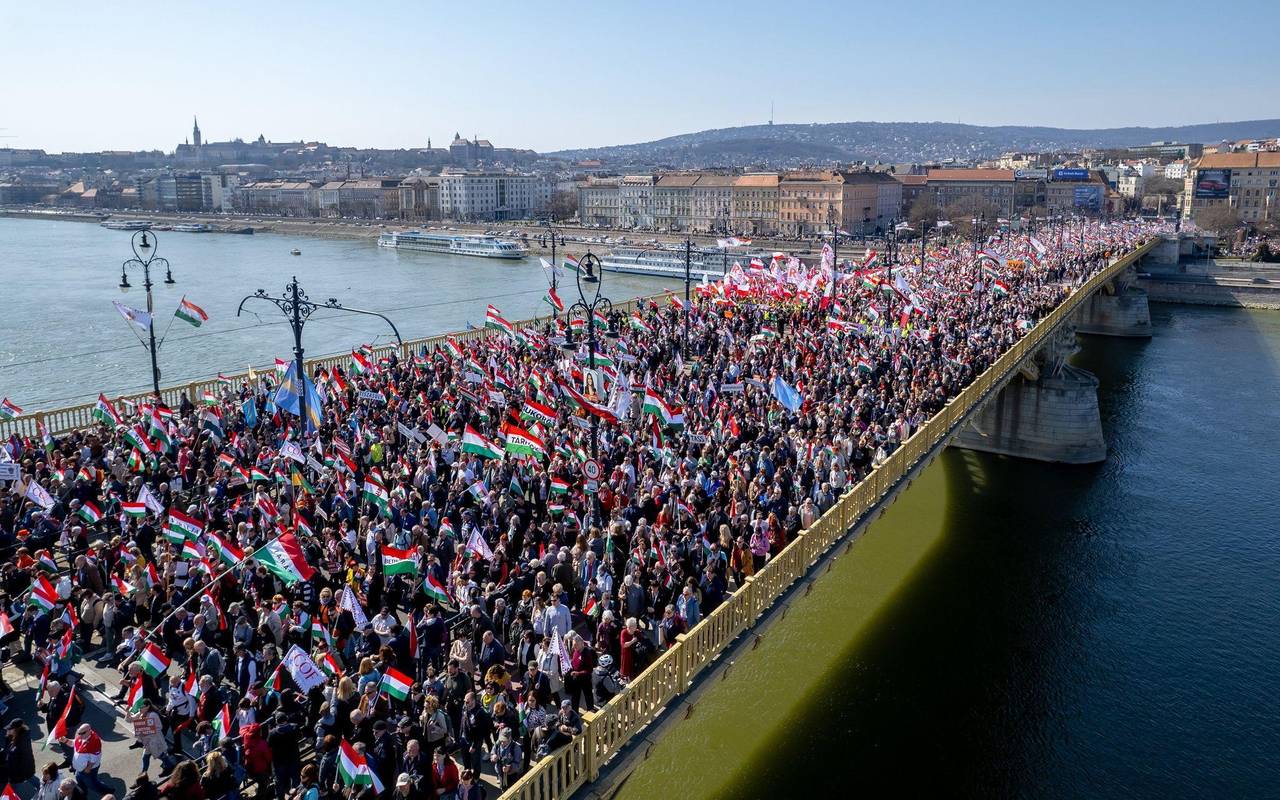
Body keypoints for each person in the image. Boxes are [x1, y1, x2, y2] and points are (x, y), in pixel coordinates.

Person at [127, 700, 173, 776]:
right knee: (146, 758)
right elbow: (129, 720)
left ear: (148, 707)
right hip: (148, 742)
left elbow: (159, 727)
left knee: (159, 755)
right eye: (140, 707)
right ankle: (144, 774)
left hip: (155, 741)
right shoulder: (141, 713)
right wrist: (128, 712)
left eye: (142, 707)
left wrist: (147, 730)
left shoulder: (153, 715)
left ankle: (169, 766)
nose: (140, 708)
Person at [71, 725, 110, 796]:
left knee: (92, 784)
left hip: (88, 769)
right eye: (79, 733)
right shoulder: (82, 736)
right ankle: (82, 794)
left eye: (82, 733)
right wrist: (65, 740)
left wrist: (88, 768)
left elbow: (95, 757)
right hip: (80, 769)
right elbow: (74, 743)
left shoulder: (95, 740)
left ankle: (107, 792)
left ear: (89, 731)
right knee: (80, 781)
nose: (80, 735)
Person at [6, 720, 38, 788]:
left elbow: (24, 759)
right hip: (21, 771)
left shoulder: (22, 742)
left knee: (12, 789)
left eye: (10, 729)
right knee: (32, 779)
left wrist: (21, 775)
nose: (8, 730)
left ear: (16, 729)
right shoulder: (18, 737)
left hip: (20, 772)